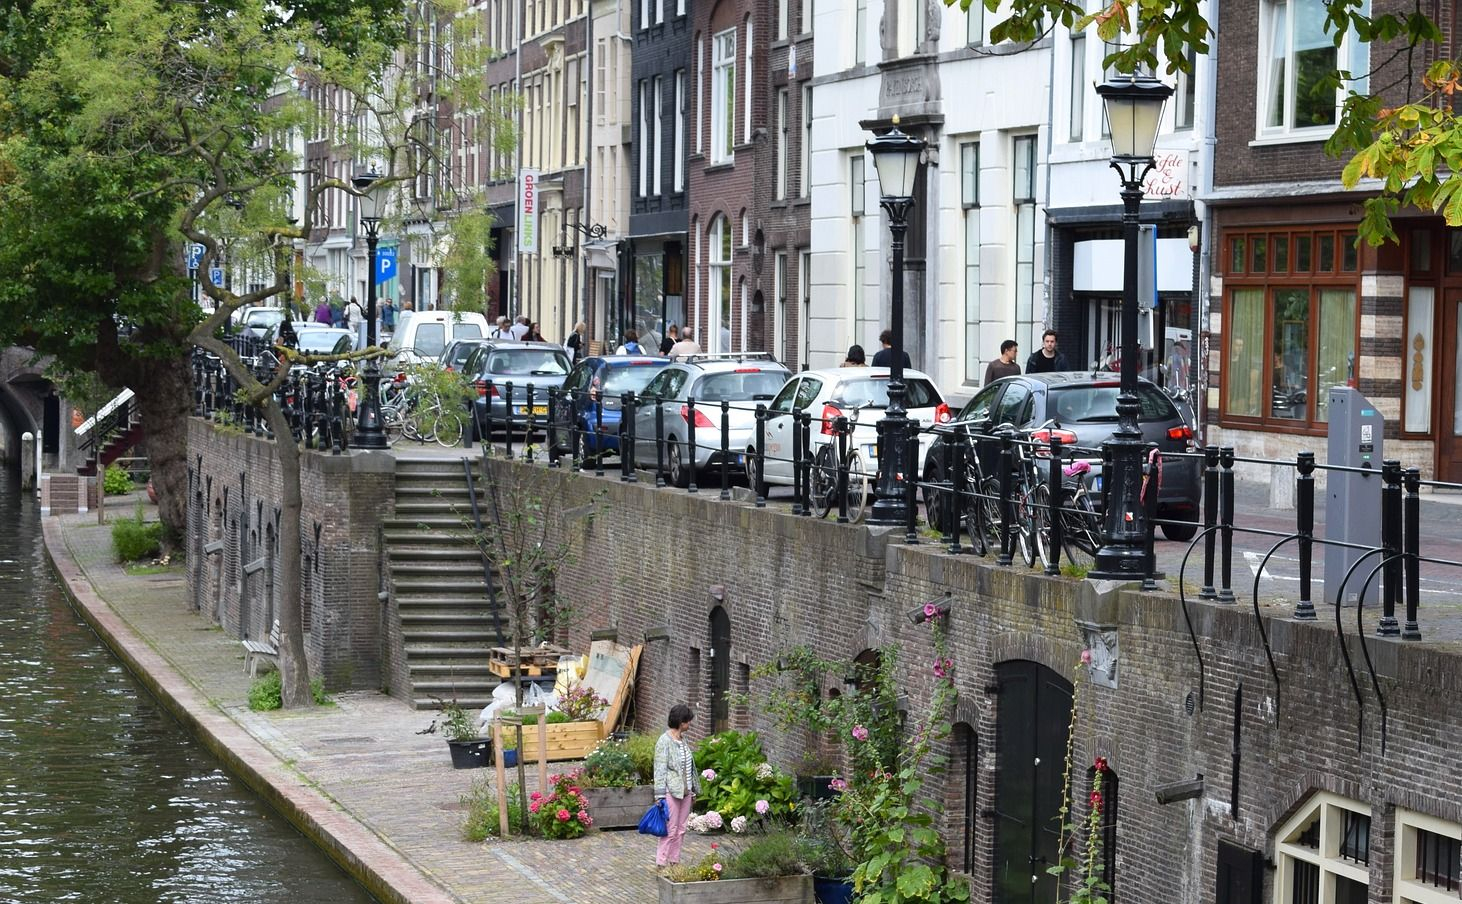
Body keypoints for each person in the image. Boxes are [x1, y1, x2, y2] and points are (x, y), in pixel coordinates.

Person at [653, 703, 701, 870]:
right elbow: (659, 769)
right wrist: (659, 796)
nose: (690, 724)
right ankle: (661, 863)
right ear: (682, 722)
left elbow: (688, 768)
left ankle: (675, 862)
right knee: (669, 829)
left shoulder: (683, 740)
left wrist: (693, 790)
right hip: (671, 792)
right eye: (688, 721)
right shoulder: (664, 741)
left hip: (686, 793)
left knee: (681, 829)